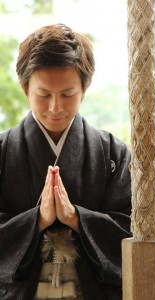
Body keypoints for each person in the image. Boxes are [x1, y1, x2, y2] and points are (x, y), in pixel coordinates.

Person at [0, 24, 132, 300]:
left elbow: (133, 229)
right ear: (25, 88)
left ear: (85, 87)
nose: (56, 107)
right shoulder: (2, 151)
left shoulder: (113, 154)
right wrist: (37, 220)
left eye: (68, 94)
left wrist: (75, 218)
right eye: (44, 94)